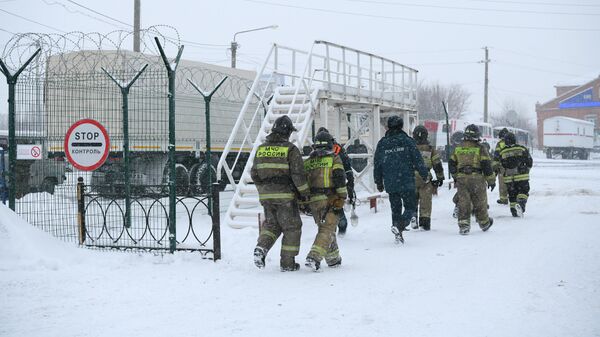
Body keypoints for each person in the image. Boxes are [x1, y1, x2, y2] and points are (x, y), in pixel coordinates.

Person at [251, 115, 310, 272]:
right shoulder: (290, 150)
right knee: (292, 227)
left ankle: (261, 247)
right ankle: (287, 263)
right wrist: (305, 195)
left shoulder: (261, 149)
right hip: (285, 197)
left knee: (272, 224)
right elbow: (298, 176)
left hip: (266, 196)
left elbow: (254, 174)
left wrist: (263, 190)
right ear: (287, 132)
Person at [374, 116, 429, 244]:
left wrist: (379, 181)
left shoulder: (382, 143)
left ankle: (397, 233)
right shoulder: (408, 141)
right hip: (406, 181)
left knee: (395, 208)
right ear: (401, 126)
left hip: (391, 182)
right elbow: (418, 159)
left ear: (388, 127)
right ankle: (400, 225)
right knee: (410, 206)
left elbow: (377, 164)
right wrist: (424, 174)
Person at [303, 131, 347, 271]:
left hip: (313, 201)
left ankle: (333, 259)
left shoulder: (308, 162)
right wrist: (342, 198)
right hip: (330, 199)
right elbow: (339, 178)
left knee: (327, 229)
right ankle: (314, 257)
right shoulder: (334, 158)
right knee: (327, 229)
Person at [448, 124, 495, 235]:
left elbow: (451, 163)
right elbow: (486, 165)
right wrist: (491, 180)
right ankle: (484, 223)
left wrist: (455, 176)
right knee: (480, 201)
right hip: (477, 178)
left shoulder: (458, 148)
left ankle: (464, 225)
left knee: (463, 201)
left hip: (462, 178)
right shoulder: (480, 148)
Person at [316, 127, 354, 236]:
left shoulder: (316, 150)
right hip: (334, 184)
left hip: (322, 185)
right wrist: (350, 184)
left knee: (327, 211)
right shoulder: (338, 148)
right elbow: (347, 167)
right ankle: (338, 229)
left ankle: (332, 231)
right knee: (336, 207)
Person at [412, 125, 445, 231]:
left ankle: (412, 216)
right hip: (425, 178)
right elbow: (437, 165)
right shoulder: (430, 149)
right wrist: (440, 177)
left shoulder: (409, 148)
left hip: (410, 177)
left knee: (412, 200)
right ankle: (424, 222)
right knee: (425, 201)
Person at [498, 132, 533, 217]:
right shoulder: (522, 149)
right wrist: (526, 169)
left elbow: (501, 164)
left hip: (509, 178)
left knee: (512, 194)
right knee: (523, 191)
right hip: (522, 176)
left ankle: (513, 210)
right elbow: (529, 161)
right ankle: (521, 204)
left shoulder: (502, 152)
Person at [493, 128, 510, 205]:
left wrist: (495, 168)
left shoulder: (500, 144)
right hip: (513, 166)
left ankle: (503, 199)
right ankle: (513, 197)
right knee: (512, 182)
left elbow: (496, 156)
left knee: (502, 183)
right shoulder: (513, 142)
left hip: (502, 166)